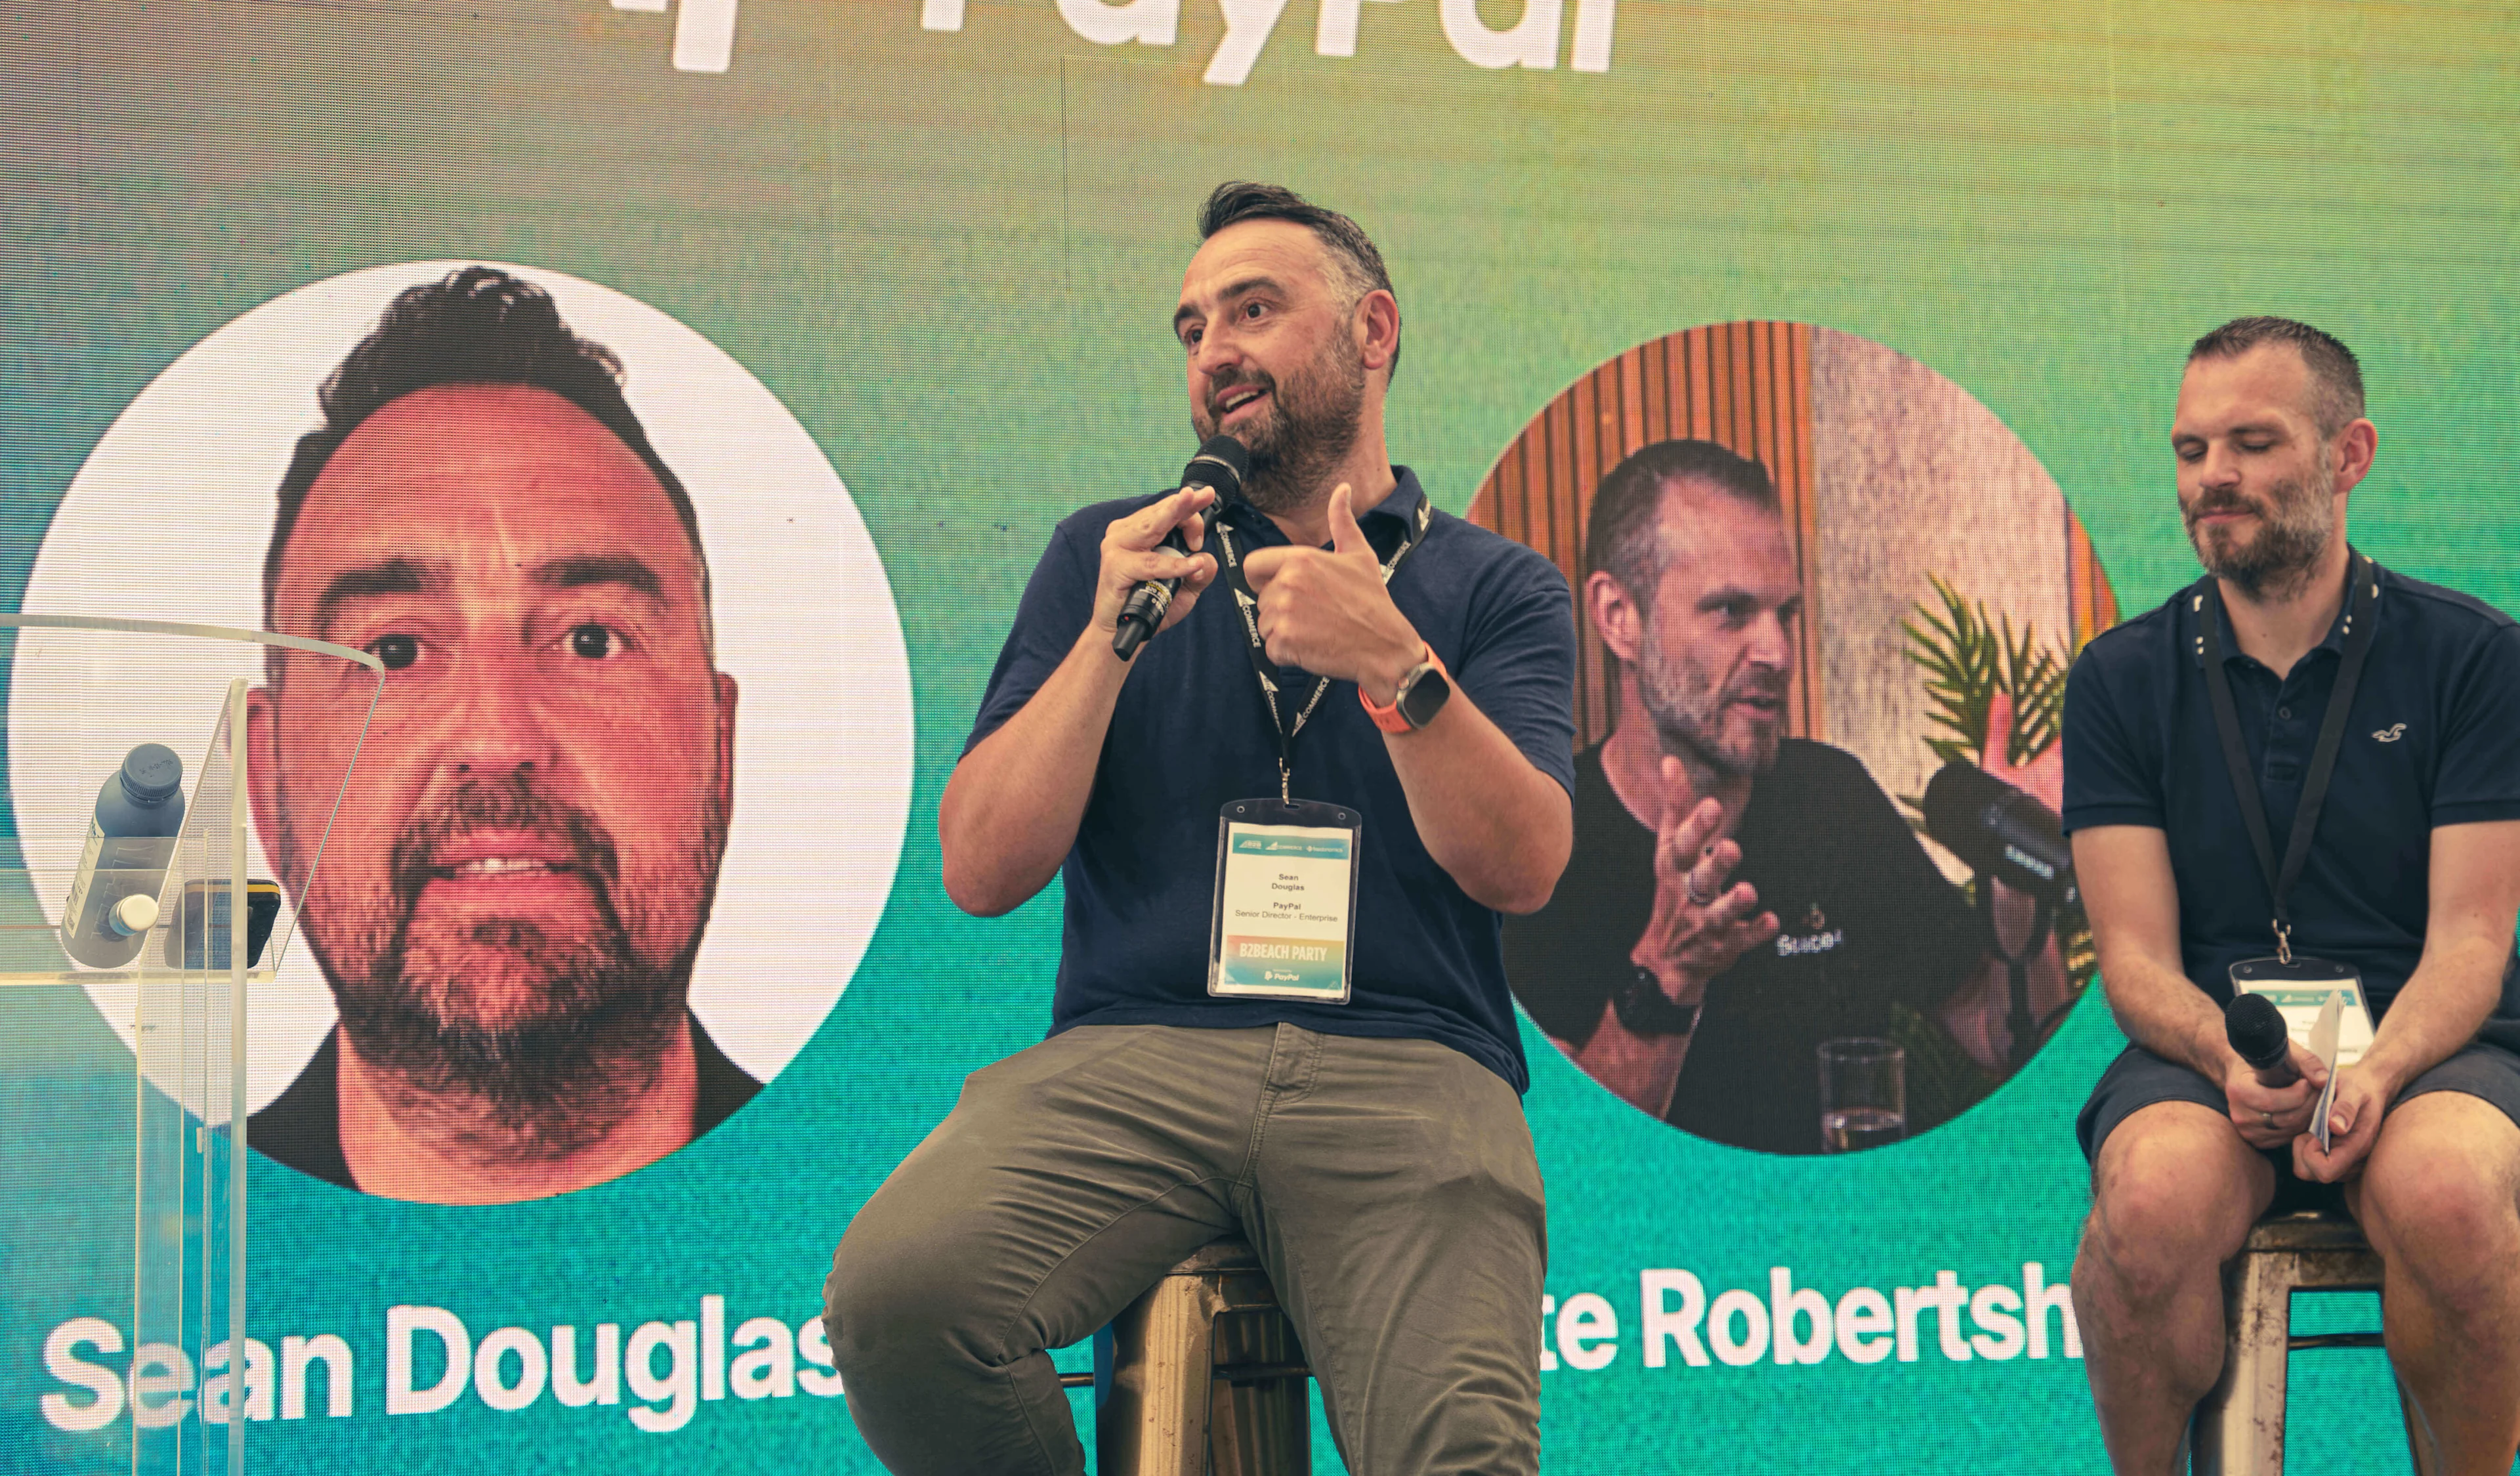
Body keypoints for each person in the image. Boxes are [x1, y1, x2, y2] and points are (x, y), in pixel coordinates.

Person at [822, 182, 1575, 1475]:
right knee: (899, 1296)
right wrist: (1108, 651)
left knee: (1463, 1452)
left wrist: (1396, 664)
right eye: (1189, 327)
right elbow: (981, 867)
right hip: (1133, 1059)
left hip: (1406, 1062)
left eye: (1255, 309)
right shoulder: (1106, 556)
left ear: (1373, 330)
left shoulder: (1490, 583)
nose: (1213, 350)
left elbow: (1525, 863)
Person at [2065, 317, 2520, 1473]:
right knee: (2148, 1206)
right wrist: (2229, 1052)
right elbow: (2133, 960)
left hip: (2429, 1040)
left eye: (2252, 443)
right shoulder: (2121, 677)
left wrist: (2374, 1072)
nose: (2211, 476)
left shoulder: (2472, 657)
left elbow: (2472, 937)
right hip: (2214, 1046)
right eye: (2189, 448)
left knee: (2449, 1188)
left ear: (2348, 452)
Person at [245, 266, 757, 1206]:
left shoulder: (911, 1213)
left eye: (591, 639)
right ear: (265, 776)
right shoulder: (132, 1252)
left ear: (718, 750)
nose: (497, 735)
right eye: (393, 650)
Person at [1503, 438, 2070, 1153]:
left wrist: (2018, 882)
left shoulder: (1831, 798)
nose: (1776, 650)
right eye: (1732, 612)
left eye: (1787, 613)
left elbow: (2000, 1035)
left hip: (1845, 1257)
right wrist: (1668, 971)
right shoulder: (1543, 838)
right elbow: (1557, 1155)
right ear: (1620, 616)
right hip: (1661, 1263)